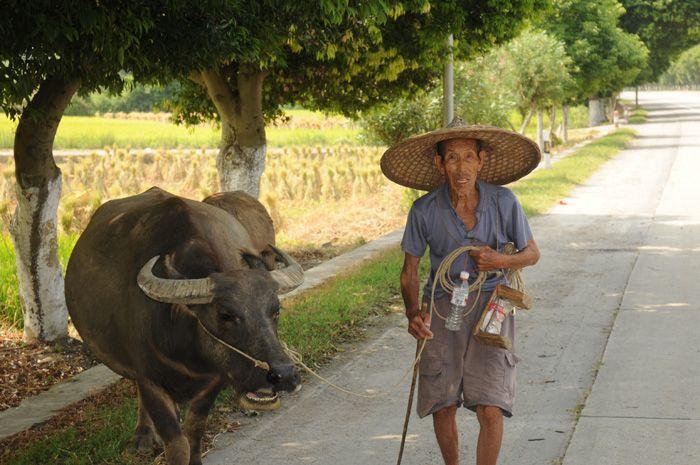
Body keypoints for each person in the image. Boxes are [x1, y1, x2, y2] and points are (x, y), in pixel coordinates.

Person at [380, 118, 541, 465]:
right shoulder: (424, 209)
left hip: (492, 309)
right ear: (440, 164)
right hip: (442, 307)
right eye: (452, 157)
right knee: (443, 402)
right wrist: (412, 314)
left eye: (469, 156)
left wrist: (498, 259)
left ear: (482, 161)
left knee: (491, 405)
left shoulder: (504, 201)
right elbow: (409, 272)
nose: (461, 166)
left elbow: (532, 253)